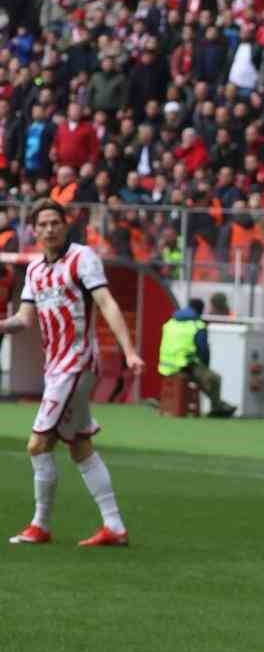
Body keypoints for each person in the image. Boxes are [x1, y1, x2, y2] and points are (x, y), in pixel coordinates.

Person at [5, 201, 145, 547]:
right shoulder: (34, 270)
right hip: (55, 367)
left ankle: (40, 525)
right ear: (34, 231)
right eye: (43, 224)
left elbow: (106, 303)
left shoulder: (83, 258)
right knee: (80, 446)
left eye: (55, 222)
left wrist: (129, 351)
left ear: (65, 225)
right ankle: (114, 527)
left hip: (77, 363)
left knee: (38, 444)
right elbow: (24, 319)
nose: (49, 229)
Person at [158, 298, 237, 418]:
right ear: (200, 310)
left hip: (165, 366)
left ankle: (220, 405)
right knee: (214, 378)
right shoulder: (197, 325)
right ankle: (217, 408)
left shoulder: (171, 322)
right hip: (183, 366)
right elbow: (203, 350)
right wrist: (205, 366)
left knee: (203, 378)